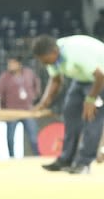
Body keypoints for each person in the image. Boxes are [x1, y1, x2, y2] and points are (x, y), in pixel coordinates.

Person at [32, 34, 104, 175]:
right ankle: (66, 160)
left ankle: (83, 163)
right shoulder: (52, 57)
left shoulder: (75, 53)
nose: (45, 65)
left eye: (46, 61)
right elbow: (56, 80)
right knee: (70, 113)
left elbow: (100, 75)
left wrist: (90, 100)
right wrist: (44, 102)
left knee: (91, 117)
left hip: (100, 79)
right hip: (82, 79)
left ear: (54, 52)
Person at [0, 56, 40, 157]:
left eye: (13, 63)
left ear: (19, 64)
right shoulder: (4, 77)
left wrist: (34, 96)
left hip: (27, 110)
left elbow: (36, 84)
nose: (10, 65)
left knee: (33, 136)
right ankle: (12, 157)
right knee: (10, 137)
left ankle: (37, 156)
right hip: (12, 111)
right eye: (9, 63)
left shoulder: (29, 73)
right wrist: (1, 110)